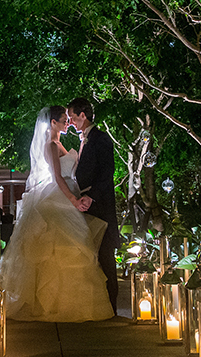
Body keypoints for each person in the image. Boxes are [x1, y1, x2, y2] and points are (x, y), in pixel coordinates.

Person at [0, 106, 114, 322]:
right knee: (56, 249)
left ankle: (73, 302)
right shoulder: (50, 145)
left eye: (68, 119)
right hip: (60, 196)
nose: (67, 122)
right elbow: (57, 177)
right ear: (52, 123)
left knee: (74, 248)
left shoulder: (61, 143)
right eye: (63, 119)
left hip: (70, 193)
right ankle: (51, 302)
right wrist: (72, 200)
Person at [67, 97, 120, 314]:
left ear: (83, 115)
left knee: (106, 257)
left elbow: (107, 173)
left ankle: (112, 308)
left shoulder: (100, 139)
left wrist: (93, 197)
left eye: (72, 117)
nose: (70, 122)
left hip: (100, 206)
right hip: (86, 206)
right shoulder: (84, 140)